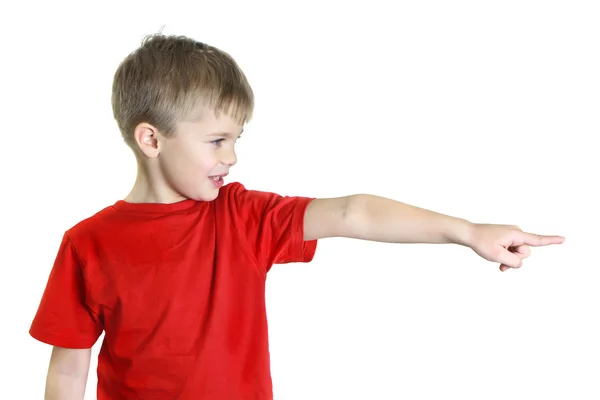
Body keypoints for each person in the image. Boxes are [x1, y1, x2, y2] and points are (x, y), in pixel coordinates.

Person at [29, 33, 565, 400]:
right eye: (216, 140)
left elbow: (353, 213)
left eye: (236, 140)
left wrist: (467, 232)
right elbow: (69, 363)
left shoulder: (243, 217)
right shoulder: (87, 243)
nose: (231, 157)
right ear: (151, 138)